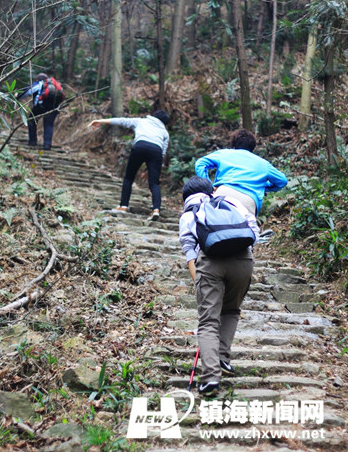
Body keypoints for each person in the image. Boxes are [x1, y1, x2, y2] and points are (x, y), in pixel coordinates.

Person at [179, 176, 259, 397]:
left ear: (186, 197)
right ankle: (223, 358)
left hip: (211, 263)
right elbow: (253, 229)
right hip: (243, 261)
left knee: (208, 321)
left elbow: (189, 251)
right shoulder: (230, 202)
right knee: (231, 309)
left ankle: (210, 378)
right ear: (211, 190)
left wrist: (200, 282)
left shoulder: (189, 213)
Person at [88, 111, 170, 221]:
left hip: (140, 146)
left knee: (129, 177)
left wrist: (101, 121)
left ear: (153, 116)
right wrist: (149, 170)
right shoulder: (164, 132)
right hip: (156, 151)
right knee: (154, 183)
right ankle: (156, 210)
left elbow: (122, 121)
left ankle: (123, 206)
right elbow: (162, 153)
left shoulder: (141, 121)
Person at [195, 129, 288, 216]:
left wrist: (209, 187)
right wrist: (263, 186)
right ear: (253, 148)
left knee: (216, 228)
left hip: (223, 193)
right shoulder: (263, 163)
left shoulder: (225, 153)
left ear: (233, 145)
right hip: (248, 200)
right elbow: (282, 180)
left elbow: (200, 164)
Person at [16, 72, 63, 150]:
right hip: (54, 107)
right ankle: (47, 145)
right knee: (49, 125)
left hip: (41, 106)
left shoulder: (38, 83)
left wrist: (17, 96)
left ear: (37, 79)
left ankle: (33, 141)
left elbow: (27, 92)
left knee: (31, 120)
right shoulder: (53, 85)